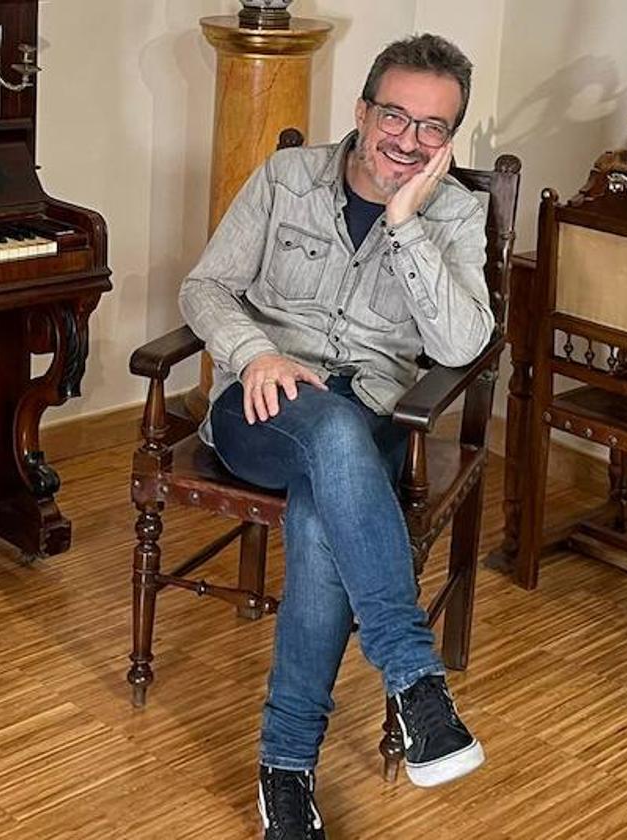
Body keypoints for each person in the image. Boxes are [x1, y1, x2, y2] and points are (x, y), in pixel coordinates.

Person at [179, 34, 492, 840]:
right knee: (330, 433)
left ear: (449, 139)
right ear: (362, 111)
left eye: (433, 127)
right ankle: (415, 683)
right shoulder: (287, 178)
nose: (409, 140)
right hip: (263, 409)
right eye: (395, 115)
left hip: (372, 419)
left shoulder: (454, 210)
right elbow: (205, 286)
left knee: (327, 507)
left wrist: (405, 223)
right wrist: (254, 353)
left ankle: (285, 773)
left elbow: (462, 346)